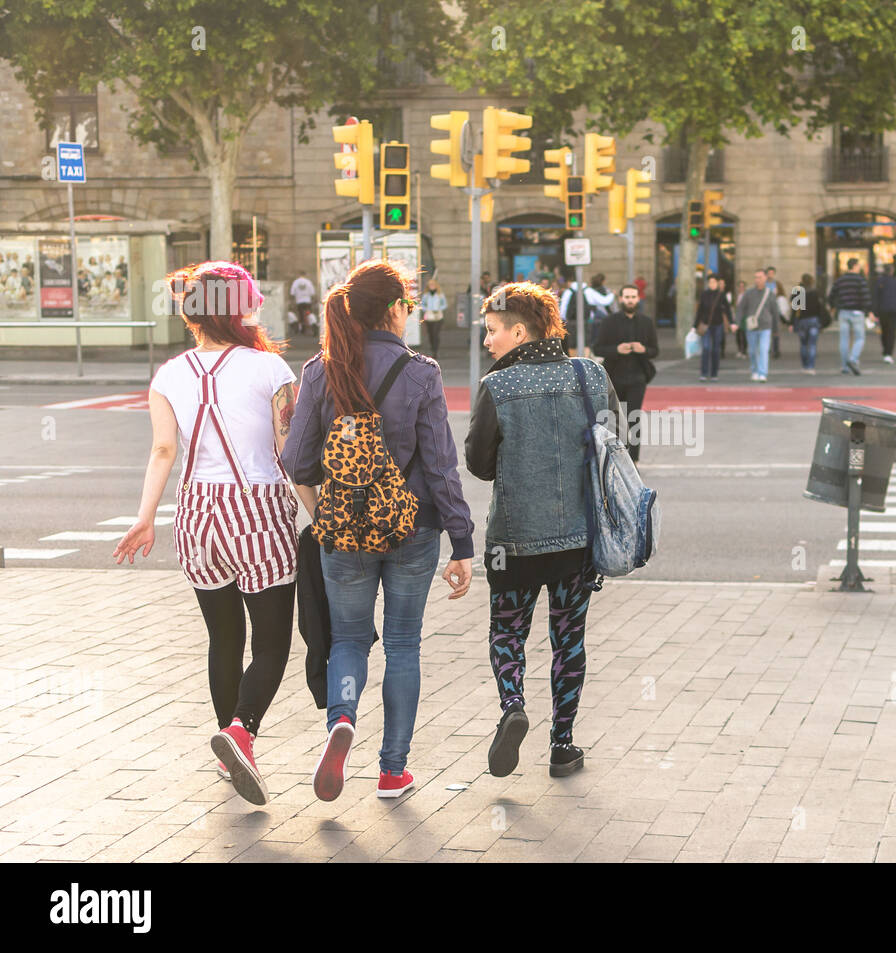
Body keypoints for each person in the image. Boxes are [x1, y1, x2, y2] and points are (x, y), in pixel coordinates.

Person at [113, 261, 313, 806]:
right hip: (258, 508)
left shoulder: (169, 373)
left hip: (196, 510)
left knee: (223, 639)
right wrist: (319, 516)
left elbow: (163, 450)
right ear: (241, 309)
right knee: (272, 642)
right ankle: (241, 731)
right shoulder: (271, 370)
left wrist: (144, 516)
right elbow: (289, 453)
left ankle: (232, 752)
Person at [281, 260, 475, 802]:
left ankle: (341, 718)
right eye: (408, 305)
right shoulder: (421, 371)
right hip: (412, 529)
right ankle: (392, 771)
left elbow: (296, 461)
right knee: (403, 644)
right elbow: (441, 466)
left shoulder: (322, 370)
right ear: (394, 308)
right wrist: (462, 542)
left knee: (348, 638)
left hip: (344, 530)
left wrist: (326, 508)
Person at [464, 282, 623, 779]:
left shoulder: (498, 386)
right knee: (568, 638)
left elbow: (479, 464)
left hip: (512, 540)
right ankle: (563, 745)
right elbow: (615, 446)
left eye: (492, 332)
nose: (487, 342)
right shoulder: (591, 376)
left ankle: (512, 704)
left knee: (507, 630)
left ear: (519, 330)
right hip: (578, 538)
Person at [593, 284, 658, 462]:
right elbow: (598, 348)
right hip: (614, 376)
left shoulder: (646, 322)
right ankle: (615, 457)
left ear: (638, 299)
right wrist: (617, 349)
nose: (630, 300)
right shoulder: (609, 321)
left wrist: (643, 349)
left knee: (633, 417)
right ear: (621, 299)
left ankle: (634, 459)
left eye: (633, 297)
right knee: (613, 419)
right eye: (627, 297)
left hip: (638, 377)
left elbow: (654, 350)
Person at [827, 258, 876, 375]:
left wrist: (833, 307)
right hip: (857, 313)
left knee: (844, 339)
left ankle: (845, 366)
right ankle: (853, 359)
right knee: (860, 338)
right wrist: (869, 311)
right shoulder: (860, 280)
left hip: (843, 312)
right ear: (854, 266)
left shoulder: (840, 280)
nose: (859, 268)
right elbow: (865, 296)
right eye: (858, 266)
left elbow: (831, 296)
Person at [735, 267, 781, 382]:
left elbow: (775, 312)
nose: (757, 280)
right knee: (752, 350)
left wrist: (776, 329)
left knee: (764, 349)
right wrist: (737, 323)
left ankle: (762, 373)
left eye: (760, 277)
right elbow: (741, 309)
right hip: (751, 327)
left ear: (765, 278)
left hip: (765, 326)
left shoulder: (770, 294)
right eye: (756, 277)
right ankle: (754, 370)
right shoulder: (748, 293)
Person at [558, 273, 615, 355]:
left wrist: (564, 320)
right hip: (586, 321)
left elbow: (563, 309)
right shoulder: (588, 291)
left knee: (572, 344)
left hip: (571, 322)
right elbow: (604, 301)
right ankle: (585, 363)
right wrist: (612, 294)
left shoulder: (568, 292)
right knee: (586, 343)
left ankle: (574, 363)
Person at [695, 272, 736, 381]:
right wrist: (695, 325)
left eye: (714, 282)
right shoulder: (704, 294)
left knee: (715, 350)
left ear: (718, 283)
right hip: (706, 326)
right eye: (710, 282)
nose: (712, 284)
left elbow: (727, 310)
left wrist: (732, 323)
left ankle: (714, 373)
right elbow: (700, 310)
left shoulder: (721, 295)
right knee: (706, 348)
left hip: (718, 325)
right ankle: (703, 373)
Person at [871, 265, 896, 364]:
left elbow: (875, 297)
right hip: (894, 310)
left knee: (884, 330)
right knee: (892, 332)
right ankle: (888, 353)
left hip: (882, 310)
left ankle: (885, 350)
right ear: (892, 271)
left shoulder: (879, 282)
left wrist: (874, 312)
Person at [793, 273, 826, 374]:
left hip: (802, 320)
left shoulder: (798, 292)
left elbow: (795, 309)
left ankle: (804, 366)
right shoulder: (815, 292)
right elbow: (820, 308)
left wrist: (792, 323)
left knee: (803, 344)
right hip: (813, 320)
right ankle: (810, 367)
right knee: (812, 344)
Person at [419, 276, 447, 359]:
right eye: (430, 285)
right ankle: (432, 347)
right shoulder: (426, 295)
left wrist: (438, 309)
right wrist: (427, 309)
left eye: (433, 285)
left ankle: (435, 350)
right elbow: (422, 305)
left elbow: (444, 304)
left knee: (435, 333)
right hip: (429, 316)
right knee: (431, 334)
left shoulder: (440, 295)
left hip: (438, 316)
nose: (431, 286)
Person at [766, 266, 787, 359]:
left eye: (772, 273)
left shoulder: (777, 284)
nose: (770, 275)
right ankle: (767, 348)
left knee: (776, 331)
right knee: (766, 330)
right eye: (769, 273)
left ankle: (776, 349)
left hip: (775, 311)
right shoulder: (764, 284)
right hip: (765, 310)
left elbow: (782, 294)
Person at [290, 271, 316, 336]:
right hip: (307, 301)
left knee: (301, 315)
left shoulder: (296, 282)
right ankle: (312, 325)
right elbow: (312, 292)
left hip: (299, 301)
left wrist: (293, 301)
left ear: (299, 274)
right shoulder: (308, 282)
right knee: (308, 314)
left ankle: (302, 329)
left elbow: (292, 293)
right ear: (305, 274)